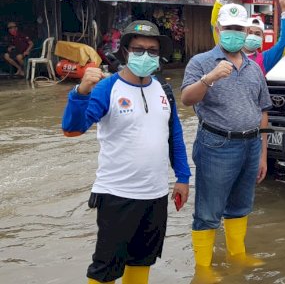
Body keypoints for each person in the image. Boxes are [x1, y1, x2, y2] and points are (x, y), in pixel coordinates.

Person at [61, 20, 191, 284]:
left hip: (155, 194)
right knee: (105, 268)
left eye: (152, 51)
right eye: (139, 49)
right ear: (125, 52)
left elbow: (174, 136)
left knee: (143, 260)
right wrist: (80, 92)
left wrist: (183, 177)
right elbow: (72, 130)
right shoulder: (106, 88)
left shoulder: (163, 89)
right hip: (117, 195)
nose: (146, 55)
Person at [181, 3, 272, 280]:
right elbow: (186, 99)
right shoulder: (201, 63)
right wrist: (210, 78)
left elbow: (263, 110)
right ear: (219, 30)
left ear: (246, 32)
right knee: (208, 211)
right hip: (216, 144)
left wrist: (263, 154)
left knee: (241, 206)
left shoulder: (253, 68)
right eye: (229, 28)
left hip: (251, 144)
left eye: (239, 29)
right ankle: (203, 270)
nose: (234, 33)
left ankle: (238, 255)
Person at [210, 0, 285, 74]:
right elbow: (215, 22)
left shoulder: (264, 60)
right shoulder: (224, 49)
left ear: (262, 39)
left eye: (257, 34)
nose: (252, 36)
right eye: (249, 32)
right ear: (243, 32)